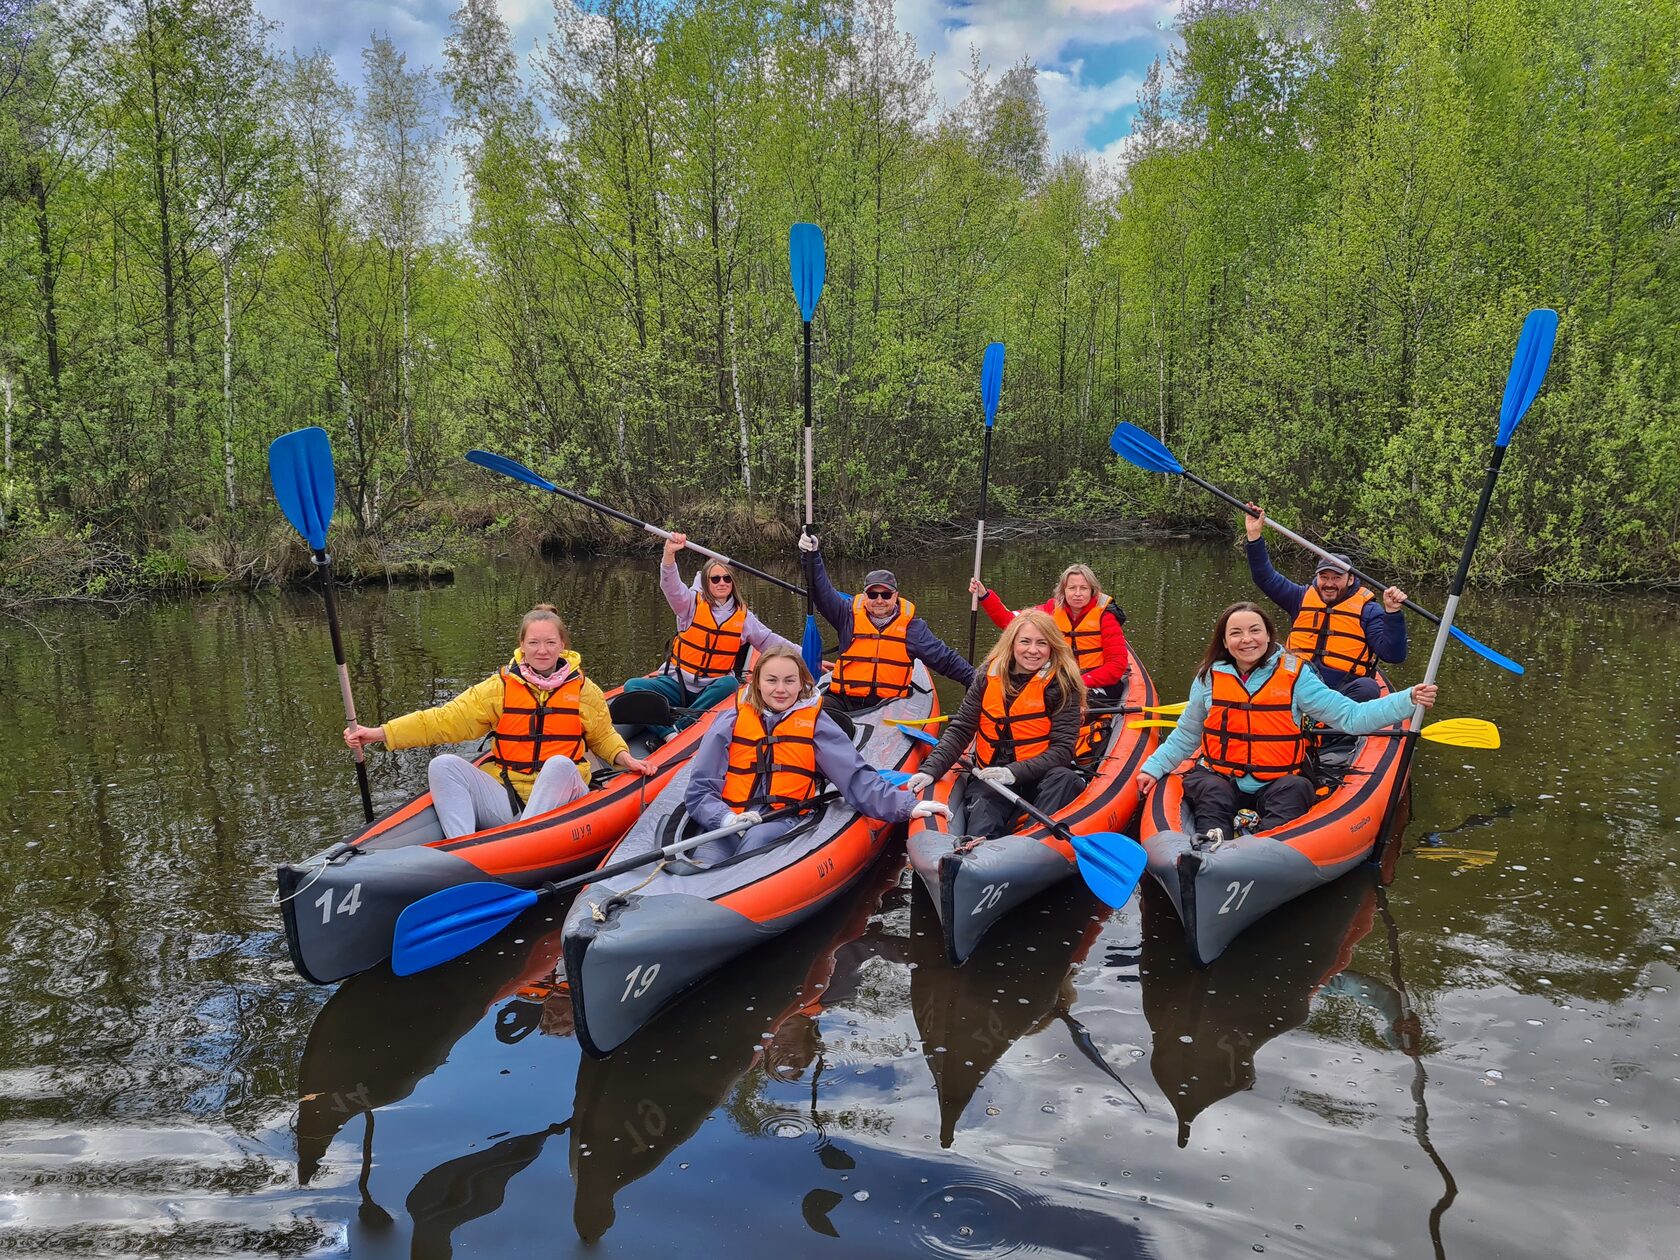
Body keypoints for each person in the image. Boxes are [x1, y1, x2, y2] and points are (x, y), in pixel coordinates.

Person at [1135, 601, 1437, 842]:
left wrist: (1407, 699)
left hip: (1279, 780)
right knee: (1209, 790)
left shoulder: (1296, 677)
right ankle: (1212, 845)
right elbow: (1187, 734)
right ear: (1225, 642)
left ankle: (1263, 847)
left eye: (1255, 630)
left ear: (1268, 635)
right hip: (1221, 775)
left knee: (1295, 789)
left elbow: (1350, 717)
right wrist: (1153, 767)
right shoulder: (1208, 679)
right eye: (1236, 633)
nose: (1246, 639)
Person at [343, 605, 653, 839]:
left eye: (549, 643)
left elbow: (603, 737)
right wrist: (380, 733)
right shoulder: (500, 688)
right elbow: (443, 720)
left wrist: (628, 760)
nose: (541, 650)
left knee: (559, 764)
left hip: (564, 805)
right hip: (509, 797)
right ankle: (463, 849)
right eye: (533, 643)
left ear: (562, 645)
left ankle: (520, 842)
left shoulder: (586, 691)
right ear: (521, 644)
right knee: (443, 765)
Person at [683, 645, 948, 863]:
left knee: (755, 840)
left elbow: (855, 779)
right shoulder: (729, 721)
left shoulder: (816, 725)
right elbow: (699, 792)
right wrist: (726, 818)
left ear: (801, 684)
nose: (780, 689)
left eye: (789, 681)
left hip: (783, 819)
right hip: (729, 818)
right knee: (704, 860)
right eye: (771, 680)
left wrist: (909, 806)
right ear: (757, 684)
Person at [903, 609, 1086, 840]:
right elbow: (961, 729)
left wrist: (1012, 772)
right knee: (984, 808)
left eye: (1042, 643)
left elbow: (1062, 750)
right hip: (992, 775)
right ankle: (976, 850)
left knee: (1065, 779)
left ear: (1052, 647)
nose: (1033, 650)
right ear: (1012, 643)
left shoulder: (1061, 685)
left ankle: (1031, 843)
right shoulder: (986, 677)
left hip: (1041, 774)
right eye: (1025, 642)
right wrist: (930, 770)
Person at [622, 532, 797, 737]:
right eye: (715, 579)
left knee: (730, 684)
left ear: (733, 583)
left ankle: (683, 726)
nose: (721, 583)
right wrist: (669, 554)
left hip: (712, 687)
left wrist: (809, 657)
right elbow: (670, 587)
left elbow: (770, 641)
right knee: (632, 686)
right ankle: (667, 733)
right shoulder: (689, 604)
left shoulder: (744, 617)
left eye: (726, 578)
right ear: (707, 582)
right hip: (676, 682)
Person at [1244, 505, 1407, 702]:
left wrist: (1393, 613)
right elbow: (1265, 577)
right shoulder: (1299, 597)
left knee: (1368, 688)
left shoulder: (1368, 610)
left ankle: (1332, 730)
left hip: (1341, 691)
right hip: (1297, 682)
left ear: (1349, 580)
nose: (1329, 584)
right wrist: (1254, 537)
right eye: (1324, 576)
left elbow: (1393, 655)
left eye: (1336, 577)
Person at [797, 533, 975, 711]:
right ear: (865, 596)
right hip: (843, 699)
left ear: (896, 596)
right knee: (813, 715)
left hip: (889, 704)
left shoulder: (913, 629)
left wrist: (975, 679)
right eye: (873, 595)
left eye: (886, 594)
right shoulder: (846, 615)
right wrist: (811, 556)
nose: (879, 600)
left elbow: (945, 660)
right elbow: (821, 590)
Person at [968, 564, 1129, 700]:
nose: (1078, 593)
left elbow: (1116, 666)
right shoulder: (1051, 610)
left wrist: (1079, 682)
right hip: (1060, 679)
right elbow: (1010, 622)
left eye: (1083, 588)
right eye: (1072, 588)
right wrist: (984, 595)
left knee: (1075, 704)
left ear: (1092, 591)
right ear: (1063, 590)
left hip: (1096, 681)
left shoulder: (1106, 617)